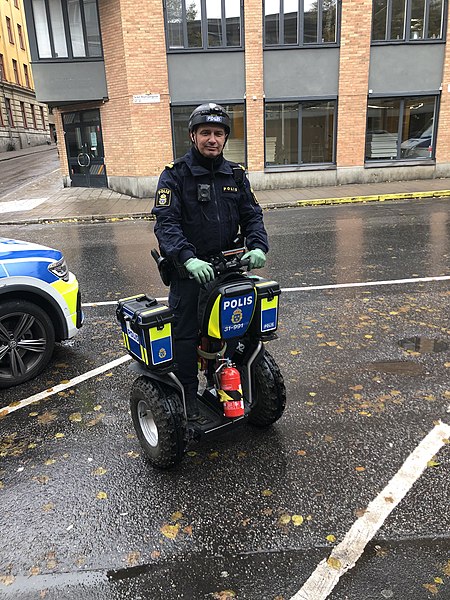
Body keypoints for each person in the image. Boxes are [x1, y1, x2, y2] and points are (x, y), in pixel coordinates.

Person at [152, 103, 269, 419]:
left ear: (225, 138)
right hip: (189, 274)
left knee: (231, 331)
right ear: (193, 135)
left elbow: (251, 214)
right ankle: (188, 395)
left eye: (218, 133)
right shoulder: (175, 175)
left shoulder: (236, 174)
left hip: (226, 269)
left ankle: (221, 385)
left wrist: (258, 245)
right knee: (186, 336)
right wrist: (188, 259)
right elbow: (166, 222)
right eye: (206, 132)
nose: (212, 139)